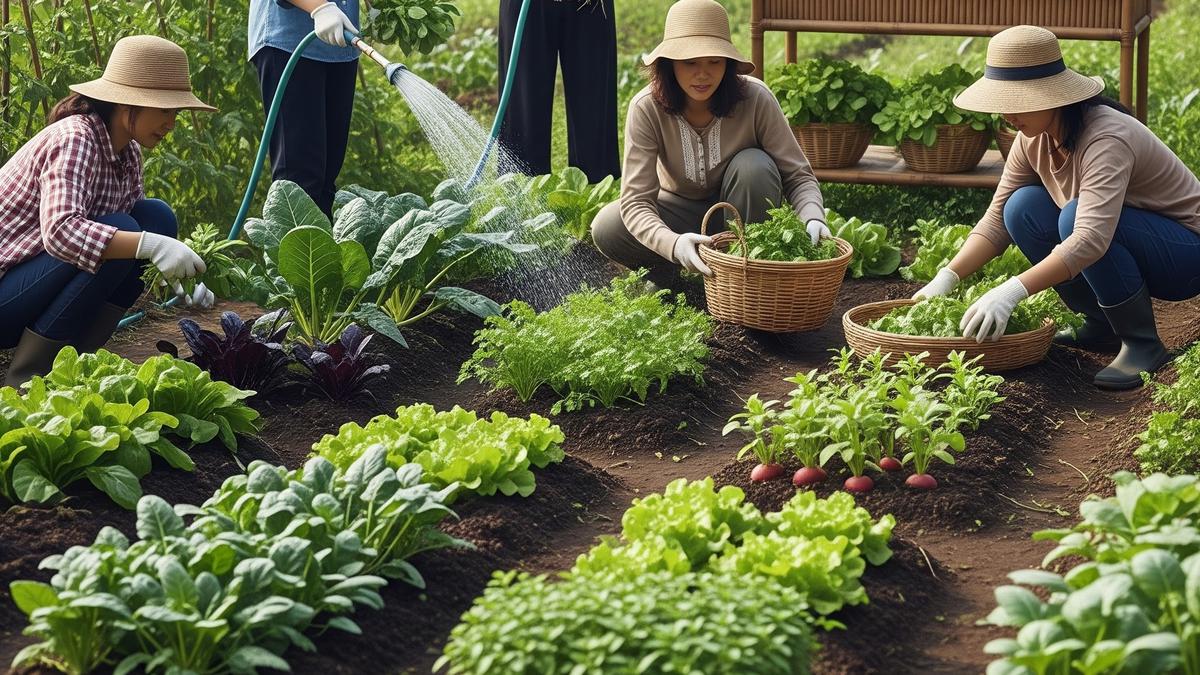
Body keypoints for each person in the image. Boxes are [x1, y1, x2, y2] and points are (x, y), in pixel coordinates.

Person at [913, 25, 1200, 390]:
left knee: (1074, 217)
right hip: (1130, 240)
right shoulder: (1032, 139)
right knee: (1020, 208)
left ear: (1053, 95)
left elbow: (1091, 238)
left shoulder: (1107, 137)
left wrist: (1012, 291)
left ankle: (1142, 343)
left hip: (1184, 255)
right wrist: (948, 276)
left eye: (1017, 101)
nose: (1007, 114)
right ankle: (1101, 324)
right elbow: (997, 220)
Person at [0, 35, 215, 388]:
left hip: (33, 287)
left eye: (176, 113)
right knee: (126, 229)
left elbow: (132, 250)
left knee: (156, 218)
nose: (172, 123)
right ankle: (27, 379)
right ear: (129, 104)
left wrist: (177, 279)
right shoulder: (75, 139)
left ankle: (75, 368)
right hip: (6, 293)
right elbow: (61, 232)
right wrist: (150, 246)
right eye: (165, 111)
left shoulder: (128, 152)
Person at [591, 0, 828, 287]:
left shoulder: (756, 99)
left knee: (753, 165)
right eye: (690, 62)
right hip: (678, 215)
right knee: (608, 226)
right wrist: (673, 244)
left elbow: (798, 175)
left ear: (728, 63)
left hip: (743, 214)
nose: (703, 74)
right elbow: (636, 201)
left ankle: (745, 278)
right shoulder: (646, 108)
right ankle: (679, 281)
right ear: (669, 64)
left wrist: (813, 218)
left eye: (714, 61)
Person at [248, 0, 359, 218]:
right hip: (291, 39)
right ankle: (297, 241)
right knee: (300, 183)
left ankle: (318, 242)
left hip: (341, 41)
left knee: (325, 183)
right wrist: (320, 7)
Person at [498, 0, 620, 184]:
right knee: (523, 106)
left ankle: (598, 191)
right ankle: (520, 189)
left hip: (591, 4)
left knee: (593, 104)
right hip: (526, 6)